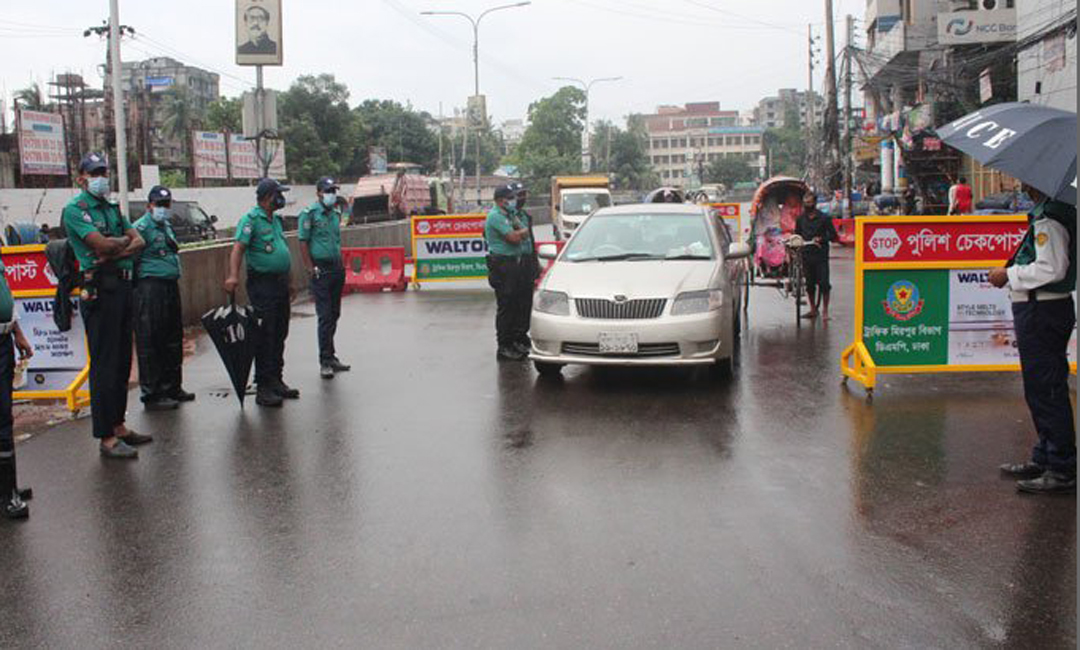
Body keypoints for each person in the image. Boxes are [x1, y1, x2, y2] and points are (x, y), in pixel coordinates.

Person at [61, 153, 151, 459]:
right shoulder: (76, 210)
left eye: (105, 171)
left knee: (124, 358)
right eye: (96, 172)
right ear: (82, 177)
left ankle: (119, 424)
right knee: (104, 362)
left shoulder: (112, 208)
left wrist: (114, 250)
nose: (102, 176)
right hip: (99, 289)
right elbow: (101, 244)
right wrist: (116, 246)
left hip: (122, 284)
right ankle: (106, 436)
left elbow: (139, 240)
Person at [989, 185, 1077, 494]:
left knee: (1047, 388)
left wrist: (1008, 275)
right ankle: (1046, 455)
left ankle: (1061, 467)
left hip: (1043, 308)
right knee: (1040, 387)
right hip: (1041, 307)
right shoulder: (1047, 214)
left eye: (1025, 182)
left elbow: (1052, 268)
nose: (1022, 187)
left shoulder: (1049, 220)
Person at [224, 178, 297, 407]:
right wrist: (233, 276)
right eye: (278, 194)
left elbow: (283, 251)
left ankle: (276, 379)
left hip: (279, 283)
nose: (281, 198)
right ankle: (263, 386)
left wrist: (290, 281)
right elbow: (238, 249)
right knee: (265, 334)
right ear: (267, 197)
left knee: (279, 332)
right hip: (262, 285)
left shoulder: (275, 220)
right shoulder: (250, 220)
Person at [133, 186, 194, 410]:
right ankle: (153, 393)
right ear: (149, 205)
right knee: (152, 339)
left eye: (166, 205)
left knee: (173, 337)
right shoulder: (141, 227)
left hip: (169, 284)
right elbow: (132, 259)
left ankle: (173, 387)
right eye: (159, 204)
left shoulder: (166, 226)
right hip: (150, 287)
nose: (163, 209)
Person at [298, 177, 350, 379]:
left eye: (334, 190)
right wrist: (310, 268)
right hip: (321, 270)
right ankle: (324, 360)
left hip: (337, 268)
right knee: (325, 316)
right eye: (328, 191)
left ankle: (332, 355)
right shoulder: (309, 215)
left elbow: (340, 233)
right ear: (319, 193)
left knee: (335, 314)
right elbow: (303, 242)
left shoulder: (335, 214)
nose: (332, 194)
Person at [0, 258, 34, 519]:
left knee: (4, 415)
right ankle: (6, 493)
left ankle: (7, 485)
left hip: (4, 340)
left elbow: (5, 291)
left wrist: (17, 332)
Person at [485, 184, 533, 361]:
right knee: (506, 306)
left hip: (514, 263)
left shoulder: (510, 215)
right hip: (502, 265)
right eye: (509, 197)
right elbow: (513, 238)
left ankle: (514, 341)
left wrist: (519, 231)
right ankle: (503, 345)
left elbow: (525, 233)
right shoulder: (496, 216)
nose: (513, 200)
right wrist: (519, 232)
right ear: (500, 200)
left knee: (516, 304)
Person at [794, 190, 839, 320]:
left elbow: (834, 236)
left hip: (821, 256)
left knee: (824, 284)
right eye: (805, 203)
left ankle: (825, 310)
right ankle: (813, 309)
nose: (807, 205)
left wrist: (822, 239)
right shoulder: (800, 219)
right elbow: (797, 235)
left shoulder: (824, 218)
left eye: (809, 202)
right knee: (809, 284)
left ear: (814, 203)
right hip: (806, 255)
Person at [509, 181, 540, 351]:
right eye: (519, 195)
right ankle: (514, 337)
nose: (523, 198)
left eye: (524, 195)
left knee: (527, 301)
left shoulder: (526, 216)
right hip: (514, 261)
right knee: (514, 301)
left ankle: (522, 334)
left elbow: (531, 241)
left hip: (528, 261)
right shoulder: (506, 216)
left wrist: (536, 263)